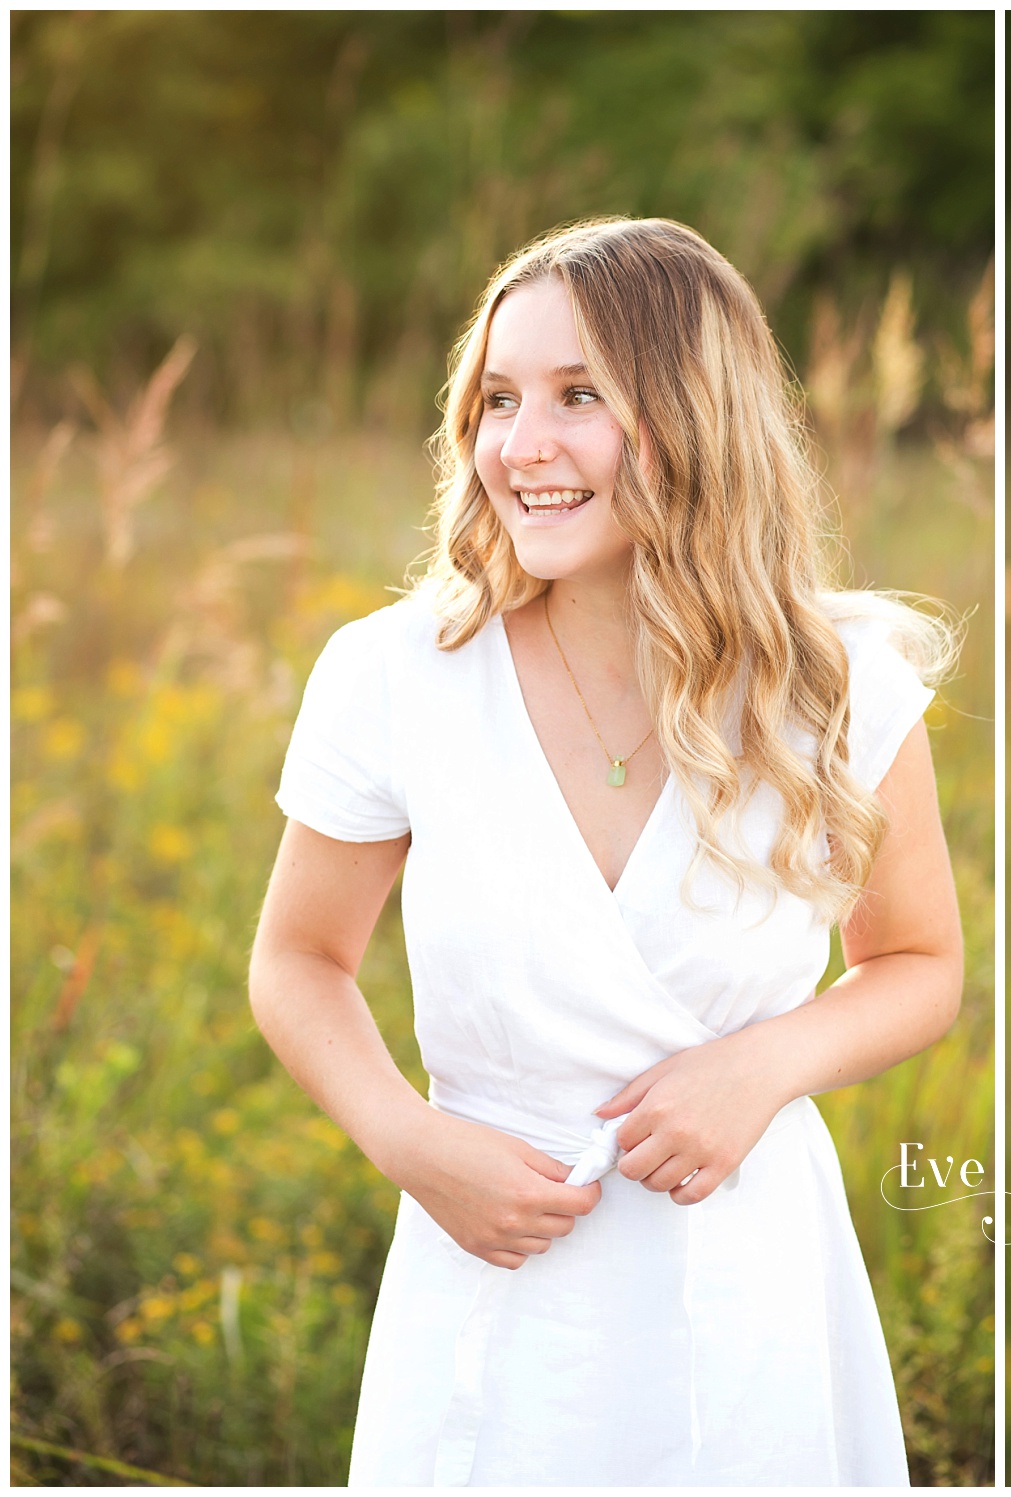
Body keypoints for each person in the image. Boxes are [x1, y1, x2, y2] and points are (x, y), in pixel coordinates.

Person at [248, 217, 963, 1486]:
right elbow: (299, 960)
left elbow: (917, 963)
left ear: (695, 416)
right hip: (493, 1275)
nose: (522, 447)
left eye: (580, 396)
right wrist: (411, 1146)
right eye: (499, 399)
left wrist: (766, 1066)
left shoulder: (837, 687)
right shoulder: (396, 674)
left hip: (748, 1281)